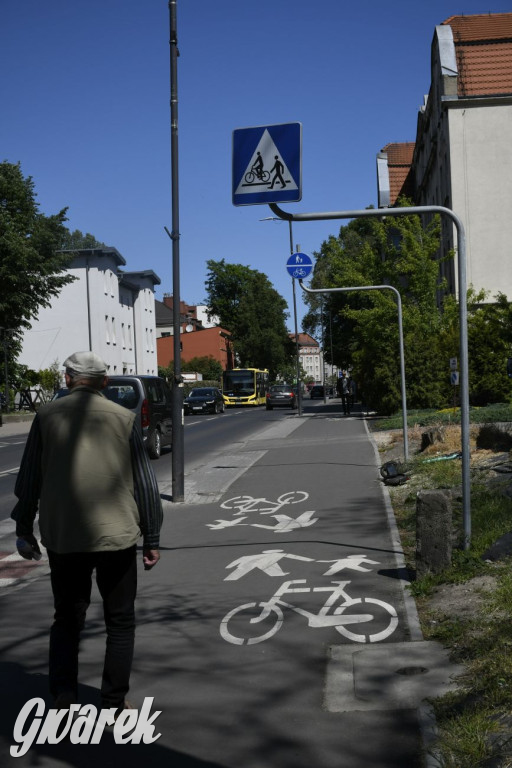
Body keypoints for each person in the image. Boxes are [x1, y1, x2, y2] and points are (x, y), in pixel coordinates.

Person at [11, 351, 163, 714]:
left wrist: (24, 527)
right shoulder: (124, 418)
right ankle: (113, 703)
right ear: (105, 382)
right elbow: (145, 483)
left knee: (67, 618)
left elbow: (29, 479)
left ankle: (64, 696)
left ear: (67, 379)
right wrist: (152, 537)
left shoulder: (45, 416)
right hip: (117, 536)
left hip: (65, 536)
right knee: (120, 621)